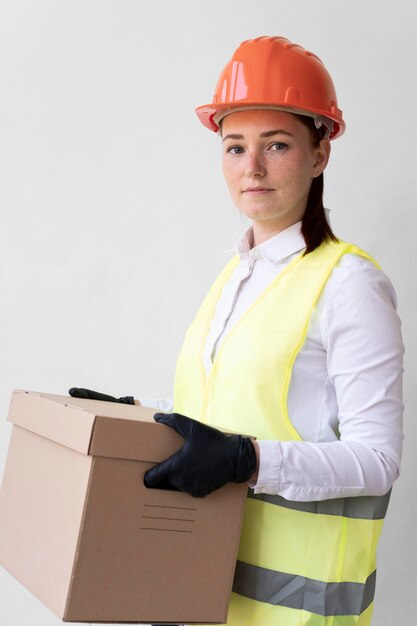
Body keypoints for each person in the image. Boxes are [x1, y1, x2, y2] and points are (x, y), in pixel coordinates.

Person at [70, 36, 404, 626]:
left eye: (276, 145)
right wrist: (140, 415)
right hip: (197, 591)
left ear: (320, 152)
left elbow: (377, 460)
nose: (251, 168)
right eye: (234, 146)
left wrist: (245, 460)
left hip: (296, 614)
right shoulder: (235, 275)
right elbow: (225, 411)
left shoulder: (349, 283)